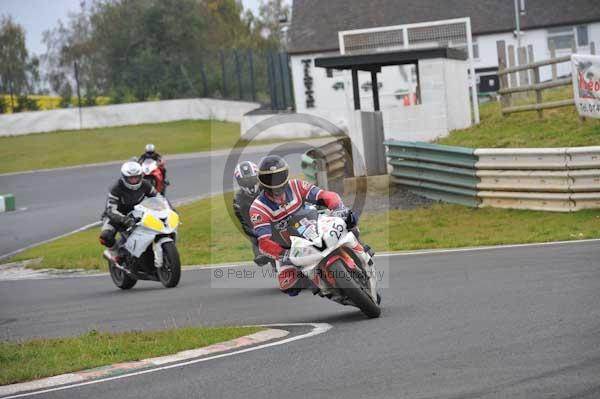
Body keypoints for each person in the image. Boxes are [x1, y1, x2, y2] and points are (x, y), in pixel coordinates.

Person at [249, 155, 363, 296]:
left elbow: (325, 195)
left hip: (315, 227)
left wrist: (338, 207)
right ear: (261, 181)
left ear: (285, 175)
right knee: (288, 285)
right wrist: (282, 254)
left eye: (278, 177)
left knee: (349, 220)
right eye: (269, 179)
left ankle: (362, 250)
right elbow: (264, 242)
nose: (275, 183)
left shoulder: (296, 185)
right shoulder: (258, 208)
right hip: (290, 249)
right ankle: (319, 285)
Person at [99, 161, 157, 261]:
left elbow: (158, 198)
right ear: (124, 177)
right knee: (105, 236)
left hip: (137, 213)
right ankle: (115, 254)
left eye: (136, 177)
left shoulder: (145, 184)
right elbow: (111, 210)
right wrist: (126, 220)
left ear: (141, 176)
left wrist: (170, 210)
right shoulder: (116, 188)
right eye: (131, 178)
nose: (134, 180)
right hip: (115, 216)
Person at [232, 161, 268, 265]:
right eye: (245, 182)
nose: (250, 184)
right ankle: (260, 255)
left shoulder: (267, 188)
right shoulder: (238, 200)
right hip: (256, 224)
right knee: (254, 234)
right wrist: (254, 231)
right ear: (239, 183)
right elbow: (244, 223)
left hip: (275, 216)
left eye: (251, 180)